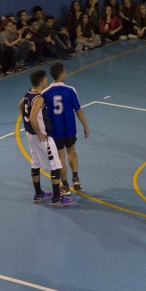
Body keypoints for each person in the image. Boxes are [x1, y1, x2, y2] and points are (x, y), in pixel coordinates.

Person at [19, 70, 75, 207]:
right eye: (45, 79)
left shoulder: (29, 93)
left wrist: (27, 123)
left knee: (35, 163)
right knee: (55, 164)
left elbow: (20, 106)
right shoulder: (38, 98)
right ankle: (56, 198)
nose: (47, 80)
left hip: (30, 136)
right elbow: (33, 118)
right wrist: (39, 132)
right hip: (42, 137)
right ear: (40, 83)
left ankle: (38, 193)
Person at [43, 62, 90, 193]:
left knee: (60, 157)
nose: (65, 74)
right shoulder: (70, 90)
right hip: (69, 128)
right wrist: (85, 126)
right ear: (60, 75)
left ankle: (65, 186)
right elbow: (78, 110)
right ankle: (76, 179)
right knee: (71, 152)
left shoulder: (45, 93)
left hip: (55, 130)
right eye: (64, 72)